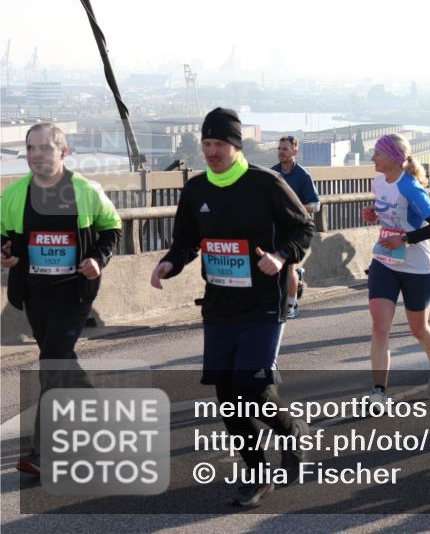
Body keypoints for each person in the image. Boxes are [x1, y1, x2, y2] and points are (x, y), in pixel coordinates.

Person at [150, 108, 313, 507]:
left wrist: (280, 256)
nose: (211, 151)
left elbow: (303, 229)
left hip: (263, 303)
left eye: (219, 143)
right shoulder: (196, 190)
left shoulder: (266, 183)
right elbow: (186, 240)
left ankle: (292, 434)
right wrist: (170, 263)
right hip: (220, 305)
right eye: (206, 144)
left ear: (235, 145)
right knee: (228, 395)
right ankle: (257, 473)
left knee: (253, 388)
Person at [2, 123, 122, 477]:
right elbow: (3, 237)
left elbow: (112, 228)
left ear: (63, 152)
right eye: (31, 148)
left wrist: (98, 259)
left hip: (74, 293)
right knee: (62, 362)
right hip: (35, 294)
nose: (37, 154)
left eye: (45, 148)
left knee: (52, 363)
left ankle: (44, 452)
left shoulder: (86, 190)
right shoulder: (13, 195)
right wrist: (5, 252)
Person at [360, 134, 430, 404]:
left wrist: (406, 239)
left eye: (377, 153)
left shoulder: (410, 187)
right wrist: (375, 214)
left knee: (418, 329)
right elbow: (390, 212)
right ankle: (379, 393)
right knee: (379, 326)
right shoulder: (379, 181)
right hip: (385, 261)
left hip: (417, 268)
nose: (372, 158)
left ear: (393, 157)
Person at [271, 135, 320, 319]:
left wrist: (295, 207)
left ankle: (291, 305)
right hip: (277, 228)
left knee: (289, 266)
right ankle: (292, 285)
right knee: (276, 267)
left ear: (294, 151)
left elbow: (316, 204)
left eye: (285, 149)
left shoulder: (303, 175)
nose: (281, 152)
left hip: (297, 229)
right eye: (279, 149)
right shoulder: (272, 173)